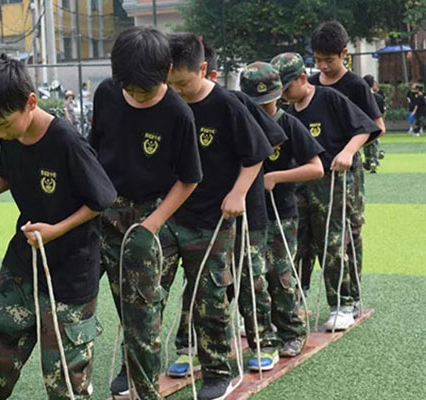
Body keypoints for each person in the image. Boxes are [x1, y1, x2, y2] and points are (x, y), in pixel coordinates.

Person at [0, 54, 117, 400]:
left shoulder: (67, 141)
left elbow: (102, 199)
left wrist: (56, 229)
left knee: (64, 376)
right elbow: (8, 173)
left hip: (71, 271)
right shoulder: (10, 132)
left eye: (4, 124)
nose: (0, 133)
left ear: (31, 102)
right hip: (24, 261)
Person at [89, 27, 203, 399]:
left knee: (142, 312)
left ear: (167, 71)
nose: (139, 96)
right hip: (103, 209)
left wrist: (152, 224)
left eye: (147, 90)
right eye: (132, 89)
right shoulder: (106, 94)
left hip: (148, 217)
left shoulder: (177, 113)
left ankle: (144, 388)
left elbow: (189, 179)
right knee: (90, 300)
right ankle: (122, 367)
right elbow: (93, 152)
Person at [162, 33, 273, 398]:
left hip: (215, 217)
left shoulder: (227, 104)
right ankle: (177, 351)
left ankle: (218, 371)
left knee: (212, 293)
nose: (177, 90)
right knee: (162, 288)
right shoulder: (169, 103)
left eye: (183, 83)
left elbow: (256, 153)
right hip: (174, 212)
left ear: (203, 70)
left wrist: (238, 193)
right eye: (171, 84)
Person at [271, 52, 380, 331]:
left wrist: (348, 152)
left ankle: (342, 304)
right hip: (302, 183)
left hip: (333, 181)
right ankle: (296, 298)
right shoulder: (288, 112)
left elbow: (365, 127)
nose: (283, 95)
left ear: (302, 78)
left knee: (332, 241)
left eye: (286, 88)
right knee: (299, 241)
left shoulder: (329, 98)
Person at [240, 61, 324, 356]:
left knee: (280, 274)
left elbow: (316, 168)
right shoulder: (241, 125)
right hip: (247, 214)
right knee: (251, 275)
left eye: (268, 101)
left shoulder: (288, 124)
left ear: (279, 95)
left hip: (281, 213)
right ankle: (261, 331)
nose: (264, 108)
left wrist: (276, 177)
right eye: (256, 103)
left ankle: (292, 331)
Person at [304, 21, 385, 316]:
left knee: (348, 232)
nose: (323, 66)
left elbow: (377, 127)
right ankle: (302, 295)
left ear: (344, 54)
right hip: (313, 173)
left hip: (345, 175)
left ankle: (352, 295)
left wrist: (348, 151)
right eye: (318, 60)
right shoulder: (310, 84)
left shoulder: (355, 86)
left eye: (329, 59)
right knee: (312, 233)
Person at [362, 74, 386, 172]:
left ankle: (368, 160)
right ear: (372, 84)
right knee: (374, 141)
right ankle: (373, 159)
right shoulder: (378, 97)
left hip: (364, 123)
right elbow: (383, 111)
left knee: (365, 142)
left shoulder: (360, 97)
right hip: (375, 122)